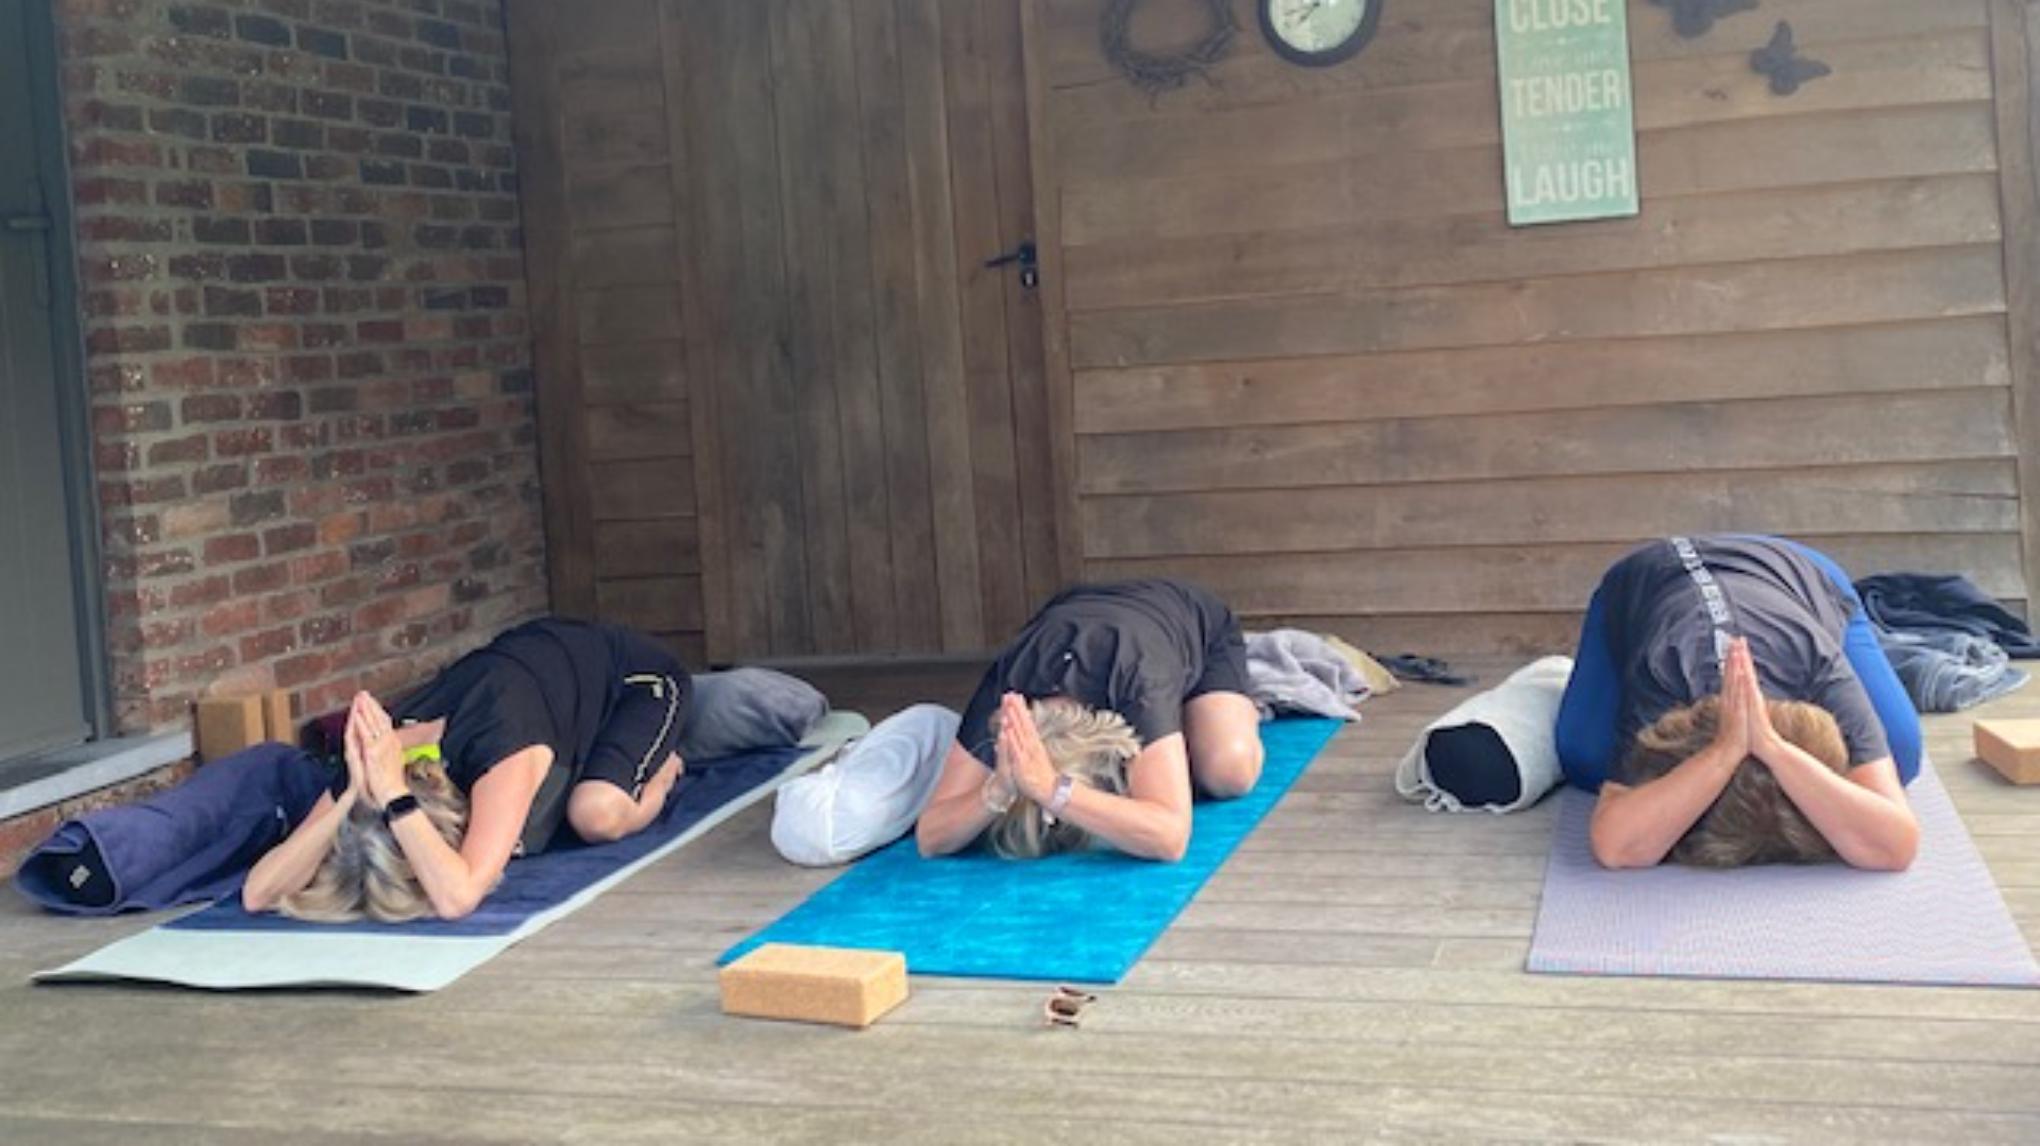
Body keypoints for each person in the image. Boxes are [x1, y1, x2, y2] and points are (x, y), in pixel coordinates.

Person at [242, 618, 692, 922]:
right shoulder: (377, 761)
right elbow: (258, 893)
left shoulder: (501, 747)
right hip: (535, 677)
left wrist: (396, 796)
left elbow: (457, 896)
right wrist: (348, 795)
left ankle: (665, 768)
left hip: (632, 678)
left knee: (595, 813)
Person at [1555, 536, 1922, 872]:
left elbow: (1895, 846)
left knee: (1900, 748)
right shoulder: (1667, 671)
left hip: (1798, 577)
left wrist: (1773, 748)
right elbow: (1616, 846)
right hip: (1648, 574)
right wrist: (1724, 751)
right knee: (1585, 758)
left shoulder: (1818, 669)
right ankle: (1552, 672)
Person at [915, 579, 1263, 862]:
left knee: (1228, 771)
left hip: (1187, 617)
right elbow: (930, 837)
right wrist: (997, 790)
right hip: (1077, 606)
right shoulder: (1008, 699)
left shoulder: (1138, 685)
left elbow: (1170, 837)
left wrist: (1052, 790)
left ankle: (1241, 697)